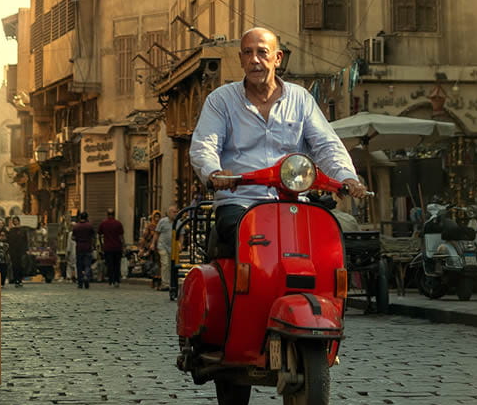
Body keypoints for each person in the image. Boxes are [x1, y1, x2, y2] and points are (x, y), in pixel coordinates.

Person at [190, 26, 367, 251]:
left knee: (331, 242)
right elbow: (205, 144)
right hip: (240, 202)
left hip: (294, 202)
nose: (254, 59)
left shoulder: (300, 98)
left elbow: (326, 145)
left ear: (278, 58)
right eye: (247, 52)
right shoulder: (220, 101)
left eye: (262, 52)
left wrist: (347, 177)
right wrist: (214, 173)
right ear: (241, 59)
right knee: (252, 240)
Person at [153, 205, 177, 293]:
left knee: (171, 265)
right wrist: (153, 243)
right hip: (162, 245)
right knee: (165, 263)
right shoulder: (162, 221)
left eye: (176, 212)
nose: (175, 213)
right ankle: (165, 283)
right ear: (169, 213)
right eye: (174, 212)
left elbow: (181, 234)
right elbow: (156, 233)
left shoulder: (178, 222)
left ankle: (170, 282)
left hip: (173, 247)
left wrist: (180, 245)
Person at [98, 208, 124, 287]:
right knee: (117, 264)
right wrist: (123, 246)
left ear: (107, 214)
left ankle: (111, 281)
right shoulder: (118, 223)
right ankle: (117, 280)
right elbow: (121, 236)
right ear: (114, 214)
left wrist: (102, 245)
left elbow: (99, 235)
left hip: (108, 248)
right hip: (117, 247)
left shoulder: (103, 224)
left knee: (110, 265)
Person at [71, 210, 96, 289]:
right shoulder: (90, 226)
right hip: (88, 247)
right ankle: (86, 276)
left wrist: (78, 239)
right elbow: (94, 236)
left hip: (79, 247)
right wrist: (93, 245)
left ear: (80, 217)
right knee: (87, 265)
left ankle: (80, 282)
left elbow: (73, 237)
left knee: (79, 265)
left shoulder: (76, 226)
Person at [6, 216, 29, 287]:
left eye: (16, 221)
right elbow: (9, 241)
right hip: (13, 251)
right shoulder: (11, 230)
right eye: (14, 221)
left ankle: (20, 280)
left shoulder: (23, 230)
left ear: (19, 221)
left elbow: (26, 241)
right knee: (14, 266)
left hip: (21, 251)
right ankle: (16, 280)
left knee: (21, 265)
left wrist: (26, 250)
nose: (15, 222)